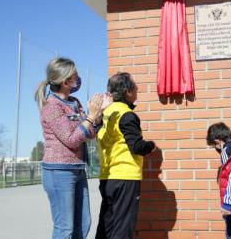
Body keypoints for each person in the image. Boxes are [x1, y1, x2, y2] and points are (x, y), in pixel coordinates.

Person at [35, 57, 112, 239]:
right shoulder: (52, 106)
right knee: (65, 228)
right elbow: (71, 140)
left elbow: (89, 134)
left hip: (77, 169)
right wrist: (91, 117)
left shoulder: (74, 102)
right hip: (59, 171)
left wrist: (99, 114)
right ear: (65, 81)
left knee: (83, 223)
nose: (78, 78)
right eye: (75, 75)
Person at [95, 72, 159, 239]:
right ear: (128, 92)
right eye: (135, 86)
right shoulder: (126, 115)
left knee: (106, 226)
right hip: (125, 177)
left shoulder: (105, 113)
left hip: (107, 177)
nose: (138, 88)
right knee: (123, 228)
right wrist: (151, 146)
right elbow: (136, 146)